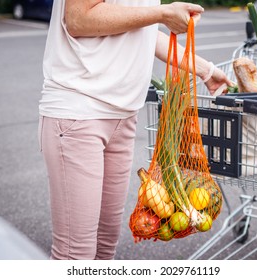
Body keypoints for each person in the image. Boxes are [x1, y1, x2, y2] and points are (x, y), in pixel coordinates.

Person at [38, 0, 232, 260]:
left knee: (105, 247)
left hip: (124, 118)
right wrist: (163, 13)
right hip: (80, 114)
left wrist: (206, 71)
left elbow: (142, 31)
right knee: (76, 255)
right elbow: (78, 19)